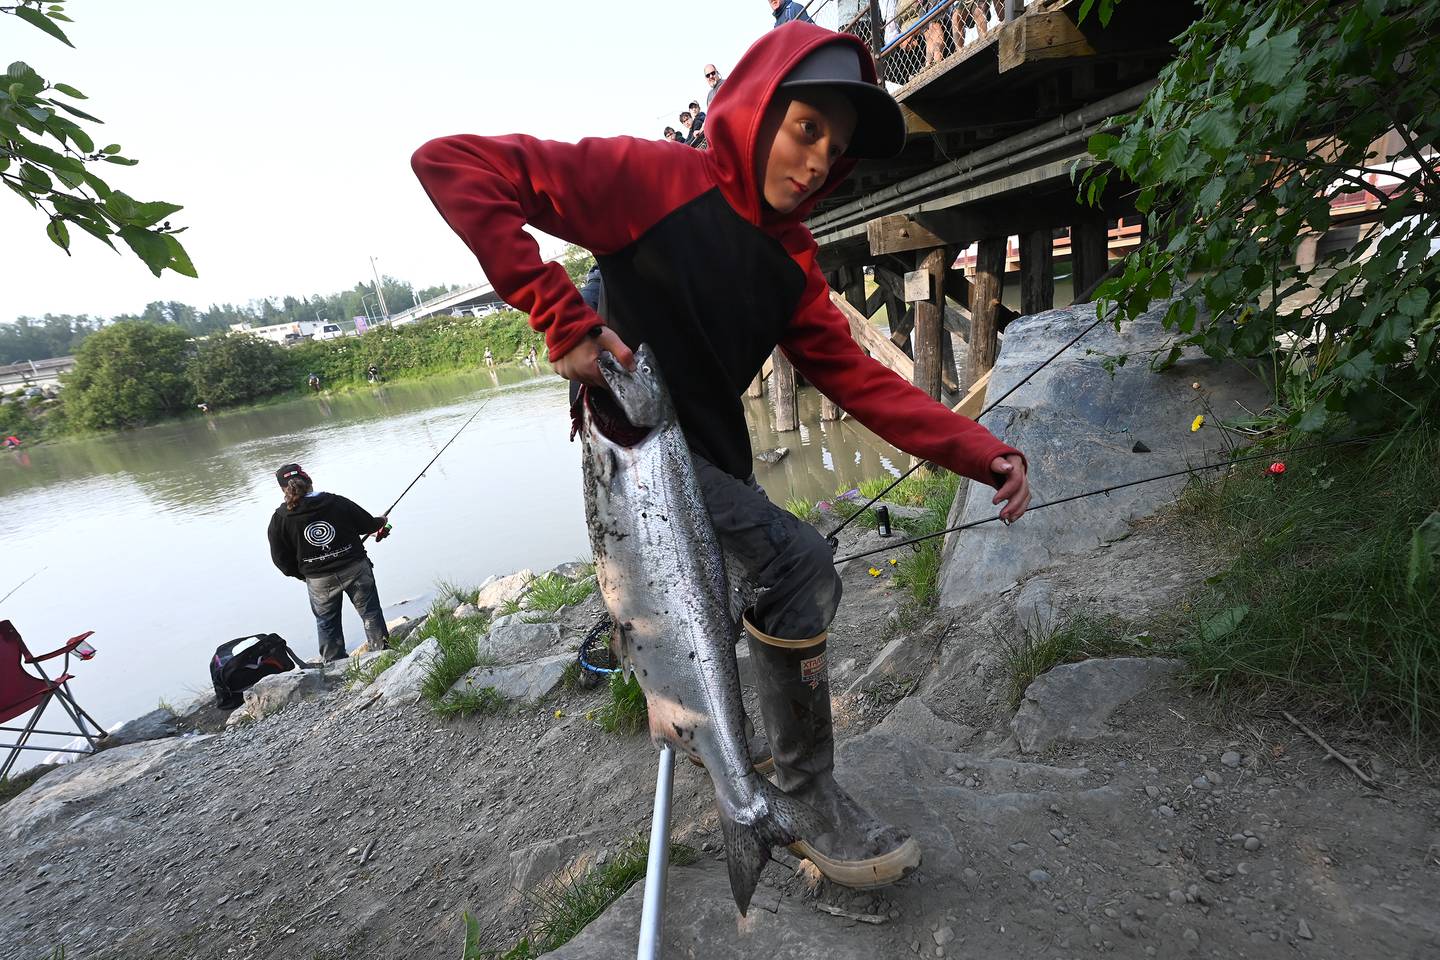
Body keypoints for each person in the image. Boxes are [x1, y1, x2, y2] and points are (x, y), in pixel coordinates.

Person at [412, 21, 1029, 892]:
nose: (817, 162)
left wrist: (983, 451)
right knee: (801, 562)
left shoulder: (795, 267)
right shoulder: (653, 180)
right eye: (805, 127)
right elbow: (454, 165)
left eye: (837, 149)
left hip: (709, 458)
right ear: (758, 107)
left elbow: (865, 384)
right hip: (634, 451)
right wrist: (562, 315)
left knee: (769, 571)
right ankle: (804, 793)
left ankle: (745, 760)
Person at [267, 463, 393, 662]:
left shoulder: (280, 519)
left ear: (283, 489)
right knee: (370, 613)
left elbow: (281, 560)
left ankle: (335, 667)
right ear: (309, 481)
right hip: (356, 569)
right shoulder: (336, 502)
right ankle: (383, 656)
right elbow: (368, 524)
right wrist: (382, 520)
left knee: (327, 623)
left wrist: (306, 575)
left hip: (319, 580)